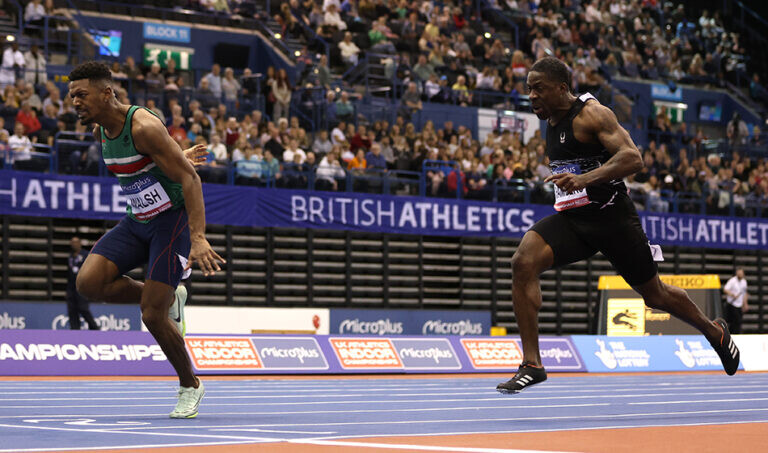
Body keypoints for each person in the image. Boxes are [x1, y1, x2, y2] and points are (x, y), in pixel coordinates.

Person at [495, 57, 740, 394]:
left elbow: (633, 158)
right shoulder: (550, 119)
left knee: (655, 295)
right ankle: (532, 364)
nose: (532, 96)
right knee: (523, 262)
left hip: (613, 221)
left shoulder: (592, 114)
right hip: (575, 220)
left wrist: (584, 179)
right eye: (529, 89)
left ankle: (715, 332)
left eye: (539, 89)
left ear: (562, 88)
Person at [68, 62, 223, 418]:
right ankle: (170, 297)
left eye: (81, 94)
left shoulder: (143, 126)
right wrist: (175, 156)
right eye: (72, 96)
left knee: (152, 315)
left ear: (106, 93)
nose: (75, 102)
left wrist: (198, 237)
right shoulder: (100, 129)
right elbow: (146, 165)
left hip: (171, 221)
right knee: (88, 283)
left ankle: (190, 384)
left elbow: (191, 179)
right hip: (138, 219)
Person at [66, 236, 99, 330]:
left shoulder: (86, 255)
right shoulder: (70, 257)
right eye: (72, 243)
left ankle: (94, 328)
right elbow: (69, 274)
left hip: (82, 287)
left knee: (83, 308)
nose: (74, 244)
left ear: (80, 243)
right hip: (71, 288)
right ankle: (75, 330)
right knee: (72, 310)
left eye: (76, 242)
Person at [722, 268, 748, 334]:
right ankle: (732, 333)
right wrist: (732, 294)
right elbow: (725, 289)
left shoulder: (744, 282)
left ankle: (737, 334)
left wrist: (745, 303)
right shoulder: (732, 281)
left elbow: (744, 293)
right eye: (739, 273)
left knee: (738, 322)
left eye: (741, 273)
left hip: (739, 304)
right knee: (733, 321)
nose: (740, 274)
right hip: (732, 304)